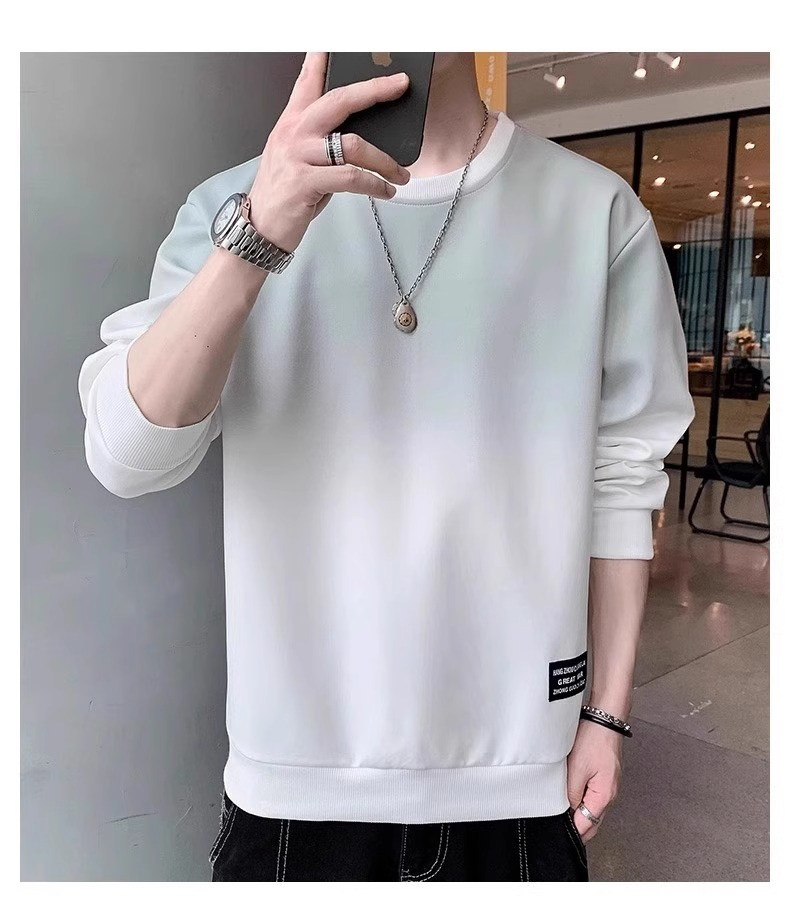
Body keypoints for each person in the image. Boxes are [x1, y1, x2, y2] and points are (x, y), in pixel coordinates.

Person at [78, 52, 695, 882]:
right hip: (293, 791)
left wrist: (606, 715)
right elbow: (127, 454)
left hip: (520, 785)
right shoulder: (231, 205)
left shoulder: (595, 213)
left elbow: (621, 478)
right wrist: (258, 232)